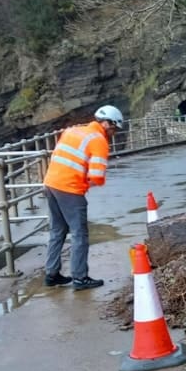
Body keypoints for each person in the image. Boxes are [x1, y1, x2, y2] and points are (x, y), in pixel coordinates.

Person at [43, 105, 123, 290]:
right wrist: (87, 184)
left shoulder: (72, 131)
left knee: (57, 231)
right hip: (70, 189)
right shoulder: (99, 141)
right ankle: (80, 278)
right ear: (106, 123)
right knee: (79, 234)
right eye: (113, 128)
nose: (113, 133)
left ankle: (51, 274)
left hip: (51, 184)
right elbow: (97, 176)